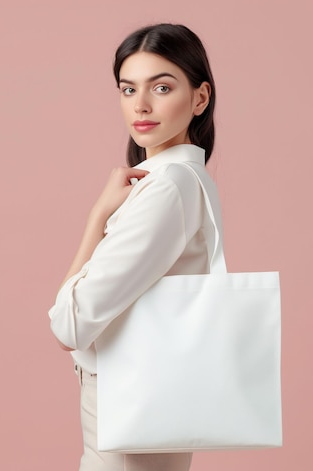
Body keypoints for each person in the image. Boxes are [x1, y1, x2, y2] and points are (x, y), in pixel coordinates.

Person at [48, 23, 217, 471]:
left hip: (126, 424)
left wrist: (96, 219)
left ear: (200, 98)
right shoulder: (189, 181)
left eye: (161, 87)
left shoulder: (168, 189)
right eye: (128, 89)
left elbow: (69, 325)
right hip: (147, 410)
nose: (140, 105)